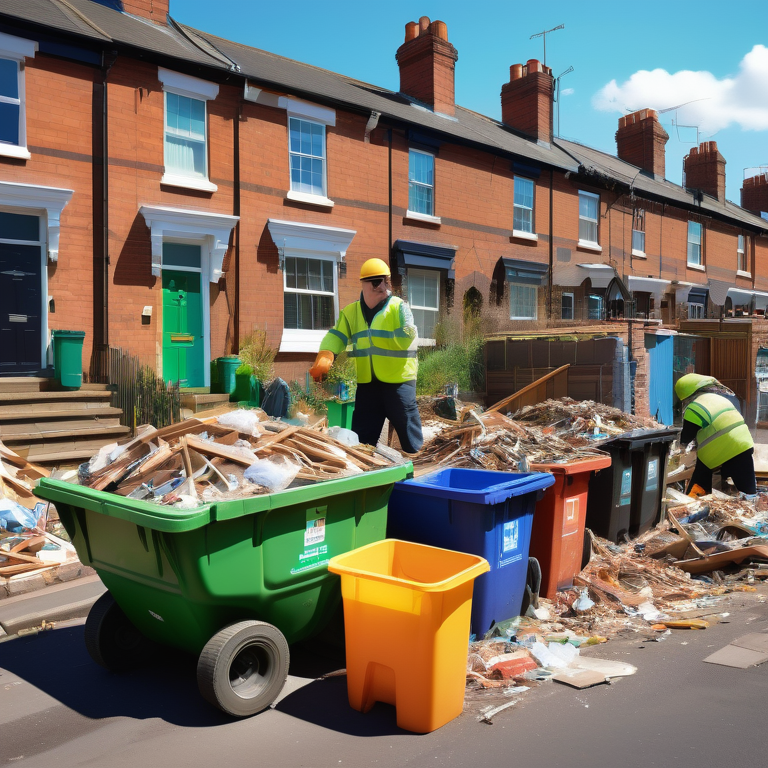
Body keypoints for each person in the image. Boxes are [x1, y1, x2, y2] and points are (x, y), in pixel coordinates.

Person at [309, 258, 423, 453]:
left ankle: (417, 471)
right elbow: (336, 335)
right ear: (365, 284)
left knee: (409, 434)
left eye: (386, 281)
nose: (384, 286)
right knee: (362, 440)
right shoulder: (351, 312)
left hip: (398, 382)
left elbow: (408, 337)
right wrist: (326, 355)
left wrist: (407, 324)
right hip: (367, 384)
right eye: (378, 281)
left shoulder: (397, 307)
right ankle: (367, 474)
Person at [675, 373, 756, 497]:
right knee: (748, 489)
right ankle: (754, 510)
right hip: (744, 445)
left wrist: (679, 446)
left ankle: (691, 504)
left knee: (700, 479)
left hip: (717, 453)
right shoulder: (720, 398)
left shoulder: (694, 407)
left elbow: (687, 436)